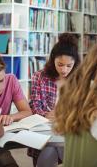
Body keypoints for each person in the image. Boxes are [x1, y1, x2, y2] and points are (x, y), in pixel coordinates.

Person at [28, 33, 80, 167]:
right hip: (44, 128)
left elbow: (82, 108)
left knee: (57, 148)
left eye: (69, 65)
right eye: (60, 64)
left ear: (75, 63)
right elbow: (34, 104)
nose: (64, 70)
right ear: (53, 60)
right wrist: (45, 114)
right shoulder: (39, 76)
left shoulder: (80, 79)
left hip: (69, 131)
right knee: (49, 147)